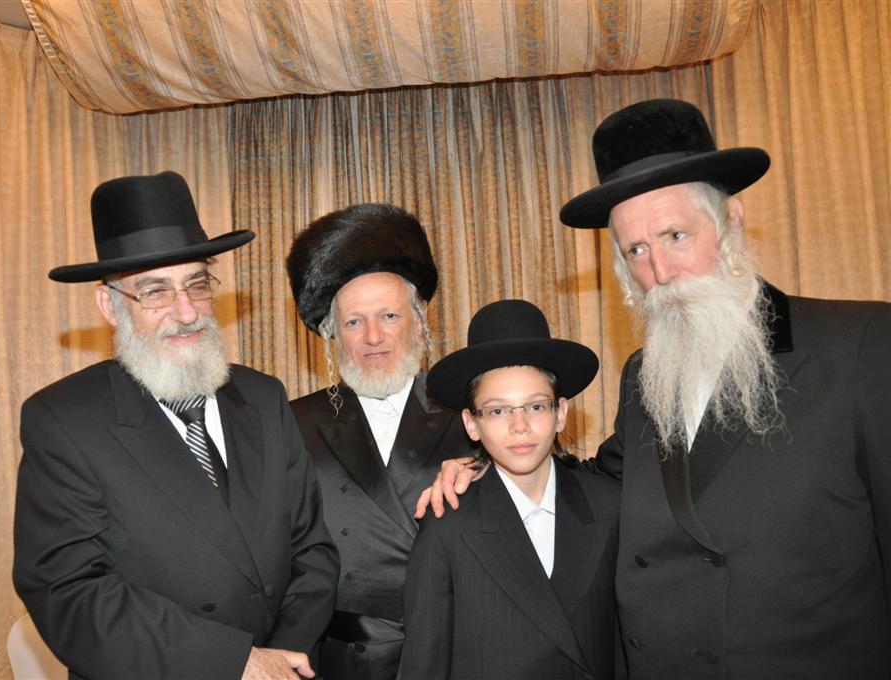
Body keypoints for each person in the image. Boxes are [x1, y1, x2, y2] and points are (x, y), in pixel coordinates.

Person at [419, 99, 891, 677]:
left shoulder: (863, 344)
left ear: (731, 221)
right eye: (636, 250)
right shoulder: (645, 375)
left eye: (675, 235)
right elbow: (605, 480)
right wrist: (485, 468)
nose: (661, 273)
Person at [12, 171, 339, 680]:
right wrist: (235, 663)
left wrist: (284, 656)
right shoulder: (63, 420)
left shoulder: (263, 396)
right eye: (155, 291)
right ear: (109, 305)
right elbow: (70, 592)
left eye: (197, 284)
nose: (187, 312)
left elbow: (312, 548)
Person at [286, 203, 474, 679]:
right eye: (354, 322)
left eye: (388, 315)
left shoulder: (472, 412)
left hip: (459, 652)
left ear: (420, 320)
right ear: (333, 334)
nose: (373, 336)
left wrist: (488, 470)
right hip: (341, 663)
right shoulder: (292, 422)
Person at [399, 299, 621, 680]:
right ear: (472, 424)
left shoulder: (609, 506)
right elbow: (425, 663)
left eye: (535, 407)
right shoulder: (448, 525)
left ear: (561, 413)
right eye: (498, 411)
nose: (520, 426)